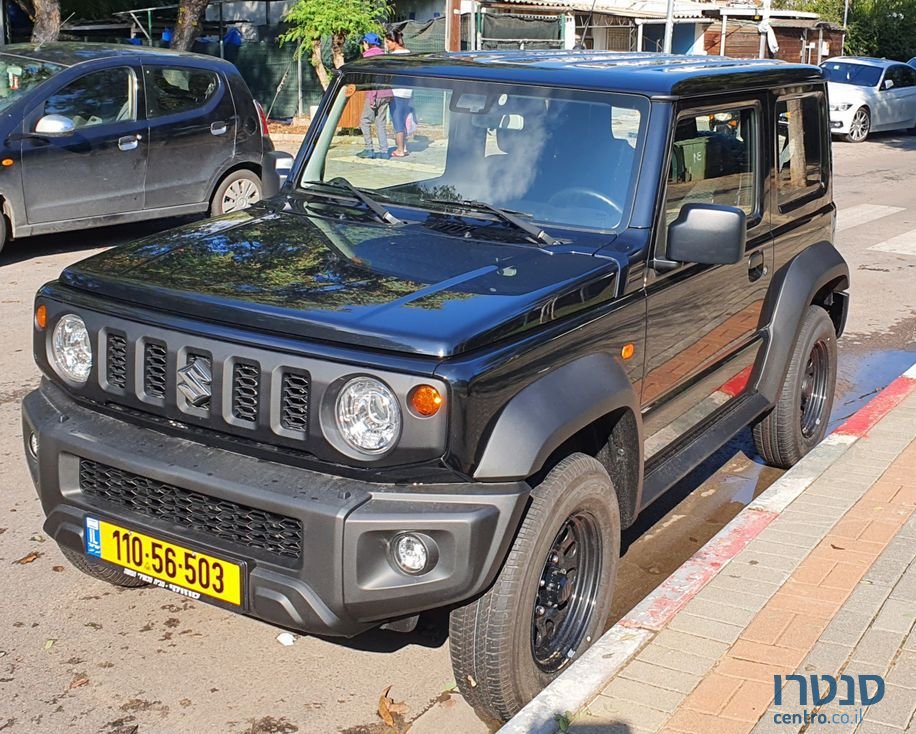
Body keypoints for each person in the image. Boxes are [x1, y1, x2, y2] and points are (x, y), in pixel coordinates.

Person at [357, 32, 392, 159]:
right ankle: (384, 151)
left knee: (364, 121)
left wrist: (372, 98)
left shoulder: (368, 58)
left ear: (367, 43)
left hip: (375, 93)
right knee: (380, 123)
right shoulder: (384, 56)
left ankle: (369, 149)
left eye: (364, 43)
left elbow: (372, 79)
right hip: (387, 93)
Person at [385, 29, 412, 158]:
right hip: (408, 92)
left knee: (397, 121)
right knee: (404, 119)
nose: (387, 45)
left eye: (388, 42)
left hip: (396, 92)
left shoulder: (393, 56)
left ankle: (400, 149)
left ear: (394, 42)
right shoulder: (409, 54)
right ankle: (404, 147)